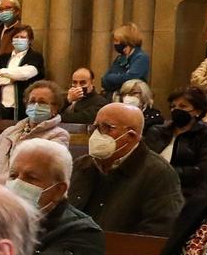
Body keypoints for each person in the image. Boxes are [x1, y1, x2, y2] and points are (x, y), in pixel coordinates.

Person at [71, 101, 184, 237]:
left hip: (118, 252)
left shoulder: (159, 174)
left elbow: (158, 231)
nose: (96, 134)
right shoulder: (82, 164)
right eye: (95, 127)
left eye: (107, 128)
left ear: (131, 136)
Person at [6, 137, 105, 255]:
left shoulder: (82, 232)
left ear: (59, 190)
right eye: (13, 176)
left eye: (31, 178)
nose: (18, 183)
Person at [0, 80, 66, 181]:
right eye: (32, 101)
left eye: (42, 102)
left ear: (55, 108)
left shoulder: (58, 136)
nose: (35, 106)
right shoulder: (10, 131)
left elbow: (32, 172)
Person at [148, 86, 207, 196]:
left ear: (198, 111)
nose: (176, 110)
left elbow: (202, 170)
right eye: (173, 106)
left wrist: (167, 173)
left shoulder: (206, 135)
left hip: (184, 191)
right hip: (151, 186)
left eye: (183, 106)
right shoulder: (157, 131)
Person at [0, 22, 45, 120]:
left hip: (21, 105)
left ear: (30, 40)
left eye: (22, 37)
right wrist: (11, 79)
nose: (19, 39)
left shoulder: (35, 57)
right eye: (16, 37)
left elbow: (26, 74)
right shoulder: (3, 58)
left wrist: (2, 72)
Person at [101, 24, 151, 97]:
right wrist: (116, 78)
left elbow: (130, 79)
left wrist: (112, 78)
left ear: (126, 41)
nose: (114, 43)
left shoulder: (141, 57)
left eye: (116, 40)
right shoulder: (120, 58)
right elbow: (105, 80)